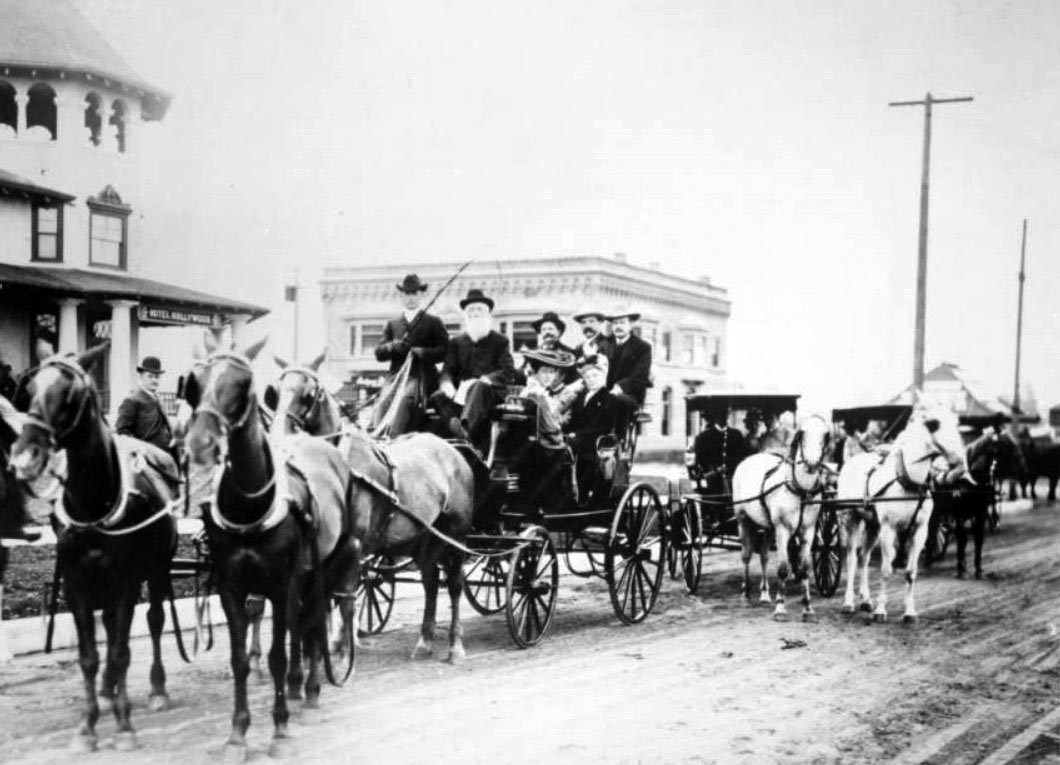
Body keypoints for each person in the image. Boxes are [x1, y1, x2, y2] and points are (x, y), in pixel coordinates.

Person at [429, 288, 515, 456]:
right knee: (437, 396)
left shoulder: (500, 341)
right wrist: (447, 385)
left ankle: (465, 430)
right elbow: (448, 370)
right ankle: (457, 431)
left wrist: (488, 379)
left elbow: (508, 370)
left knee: (477, 386)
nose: (475, 313)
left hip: (490, 391)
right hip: (462, 392)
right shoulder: (456, 342)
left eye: (479, 310)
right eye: (471, 310)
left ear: (487, 314)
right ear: (466, 315)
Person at [373, 273, 449, 435]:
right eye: (407, 294)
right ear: (401, 296)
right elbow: (379, 353)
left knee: (404, 399)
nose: (411, 298)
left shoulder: (433, 322)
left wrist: (422, 352)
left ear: (421, 295)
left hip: (421, 377)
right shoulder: (392, 324)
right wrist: (392, 347)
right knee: (382, 401)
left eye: (414, 293)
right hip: (396, 377)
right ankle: (376, 437)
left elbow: (446, 350)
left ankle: (394, 437)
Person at [565, 354, 619, 503]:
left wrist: (578, 435)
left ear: (603, 378)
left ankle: (588, 499)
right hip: (579, 439)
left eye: (595, 376)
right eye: (588, 377)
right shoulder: (580, 398)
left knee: (577, 452)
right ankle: (574, 496)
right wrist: (567, 431)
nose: (591, 379)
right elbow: (573, 420)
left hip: (596, 441)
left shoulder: (609, 399)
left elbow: (604, 426)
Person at [603, 308, 652, 436]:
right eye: (615, 323)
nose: (618, 326)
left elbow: (639, 375)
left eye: (622, 322)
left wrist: (620, 387)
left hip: (630, 395)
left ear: (631, 325)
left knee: (615, 399)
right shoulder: (604, 345)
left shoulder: (643, 347)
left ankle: (617, 439)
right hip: (605, 392)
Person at [115, 356, 175, 455]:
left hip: (167, 452)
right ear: (141, 377)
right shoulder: (131, 401)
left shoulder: (158, 399)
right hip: (147, 457)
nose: (154, 380)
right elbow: (122, 432)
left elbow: (166, 426)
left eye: (157, 377)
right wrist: (138, 451)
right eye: (150, 376)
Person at [692, 410, 751, 493]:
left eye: (725, 414)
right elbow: (701, 459)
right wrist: (714, 469)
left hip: (734, 478)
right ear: (714, 417)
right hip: (712, 480)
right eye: (720, 414)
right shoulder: (703, 437)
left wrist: (731, 466)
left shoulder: (736, 435)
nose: (723, 417)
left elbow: (741, 455)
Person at [529, 311, 577, 385]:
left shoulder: (569, 353)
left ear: (559, 332)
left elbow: (573, 378)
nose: (547, 332)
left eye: (550, 329)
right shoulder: (533, 353)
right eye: (544, 329)